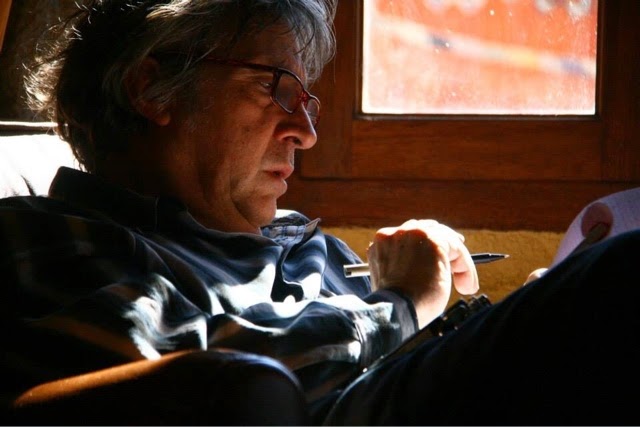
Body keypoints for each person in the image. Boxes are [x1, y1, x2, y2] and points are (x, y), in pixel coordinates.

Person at [1, 0, 638, 424]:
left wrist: (494, 320)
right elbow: (208, 381)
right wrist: (403, 304)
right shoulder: (48, 236)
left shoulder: (308, 247)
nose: (305, 133)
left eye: (306, 100)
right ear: (151, 89)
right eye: (272, 87)